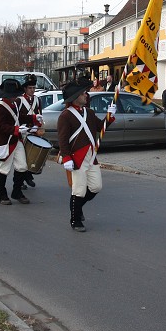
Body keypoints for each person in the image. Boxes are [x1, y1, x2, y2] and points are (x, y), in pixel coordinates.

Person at [57, 78, 116, 232]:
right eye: (83, 93)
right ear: (75, 97)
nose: (86, 95)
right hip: (76, 157)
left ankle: (76, 206)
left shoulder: (89, 112)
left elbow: (100, 127)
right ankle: (75, 220)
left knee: (96, 186)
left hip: (91, 155)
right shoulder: (65, 116)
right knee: (79, 189)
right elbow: (63, 140)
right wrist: (67, 157)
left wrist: (109, 117)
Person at [0, 79, 30, 205]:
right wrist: (17, 129)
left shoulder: (15, 105)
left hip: (16, 139)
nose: (15, 97)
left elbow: (20, 118)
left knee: (22, 166)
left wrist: (34, 118)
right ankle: (1, 194)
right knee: (3, 169)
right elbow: (1, 126)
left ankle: (16, 192)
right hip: (5, 142)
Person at [17, 74, 44, 189]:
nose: (32, 90)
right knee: (22, 157)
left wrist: (37, 126)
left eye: (33, 88)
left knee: (31, 156)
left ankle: (28, 176)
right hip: (23, 131)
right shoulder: (19, 100)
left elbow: (39, 115)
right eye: (30, 88)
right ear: (25, 89)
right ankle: (23, 179)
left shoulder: (37, 99)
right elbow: (18, 117)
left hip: (33, 131)